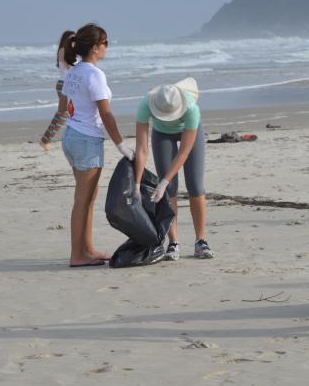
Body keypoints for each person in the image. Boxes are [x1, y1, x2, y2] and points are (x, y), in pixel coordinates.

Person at [60, 23, 135, 267]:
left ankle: (87, 248)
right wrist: (121, 145)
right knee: (83, 199)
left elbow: (67, 106)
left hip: (72, 136)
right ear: (95, 48)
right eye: (105, 43)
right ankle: (77, 254)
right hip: (86, 140)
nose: (107, 47)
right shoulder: (94, 74)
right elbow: (106, 114)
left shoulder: (74, 72)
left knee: (87, 198)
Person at [133, 78, 213, 260]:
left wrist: (163, 181)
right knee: (169, 191)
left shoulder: (192, 109)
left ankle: (201, 241)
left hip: (189, 132)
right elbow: (141, 149)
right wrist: (137, 182)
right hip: (162, 134)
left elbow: (184, 153)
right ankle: (173, 243)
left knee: (196, 186)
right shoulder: (145, 105)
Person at [40, 31, 75, 150]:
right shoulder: (63, 50)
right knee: (64, 114)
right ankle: (45, 140)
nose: (73, 42)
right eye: (71, 39)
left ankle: (46, 139)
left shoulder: (69, 51)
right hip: (64, 84)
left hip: (68, 84)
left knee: (63, 113)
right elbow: (70, 66)